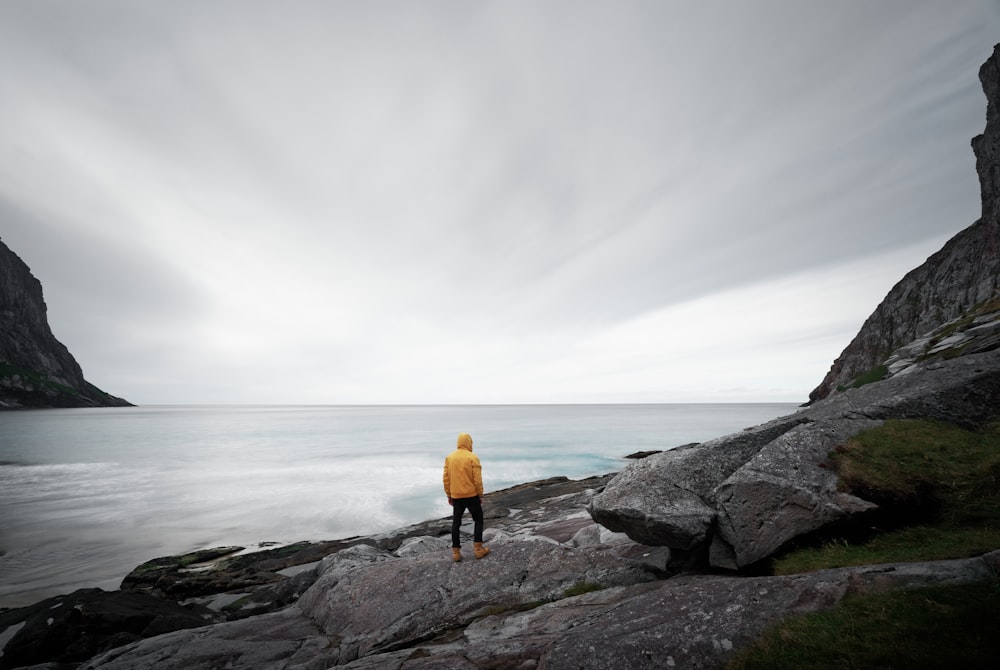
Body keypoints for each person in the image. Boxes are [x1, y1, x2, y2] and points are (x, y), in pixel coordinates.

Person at [442, 432, 490, 562]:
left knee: (456, 523)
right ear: (469, 443)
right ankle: (478, 550)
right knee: (478, 519)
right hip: (471, 495)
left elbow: (446, 479)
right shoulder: (472, 457)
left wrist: (449, 494)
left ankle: (456, 553)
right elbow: (477, 480)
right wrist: (480, 494)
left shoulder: (450, 457)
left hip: (456, 496)